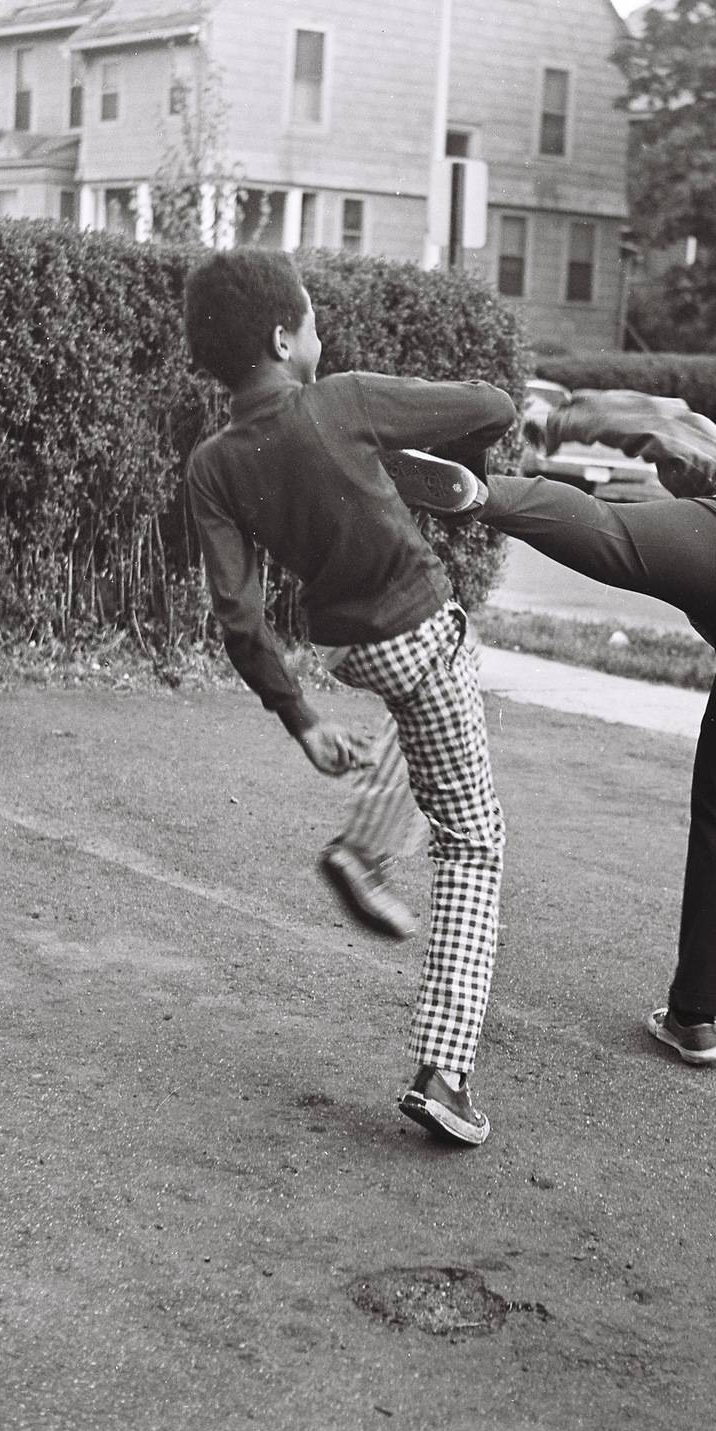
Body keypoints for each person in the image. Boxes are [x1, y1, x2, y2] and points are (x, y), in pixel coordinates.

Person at [375, 386, 716, 1068]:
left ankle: (483, 496)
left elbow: (657, 422)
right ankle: (695, 1020)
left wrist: (560, 421)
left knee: (614, 534)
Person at [182, 248, 517, 1146]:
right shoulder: (344, 401)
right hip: (421, 627)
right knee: (472, 840)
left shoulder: (213, 464)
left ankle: (365, 848)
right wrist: (457, 460)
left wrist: (301, 720)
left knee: (428, 714)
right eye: (312, 320)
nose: (319, 335)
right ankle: (444, 1071)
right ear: (283, 339)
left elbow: (238, 615)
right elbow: (491, 405)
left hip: (347, 652)